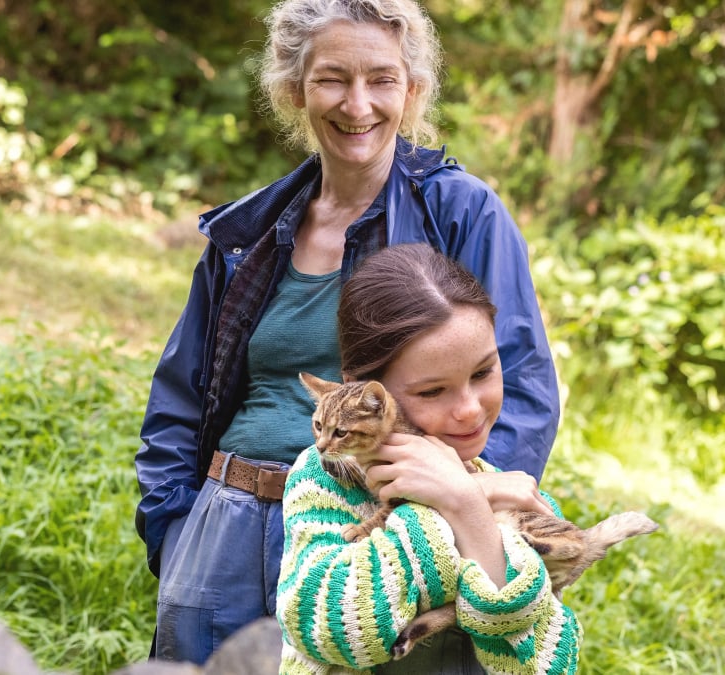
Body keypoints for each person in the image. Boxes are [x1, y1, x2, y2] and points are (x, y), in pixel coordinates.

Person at [134, 0, 559, 663]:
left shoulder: (461, 213)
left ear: (412, 89)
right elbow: (179, 398)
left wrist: (463, 517)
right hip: (225, 533)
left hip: (373, 536)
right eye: (333, 77)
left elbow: (519, 386)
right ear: (294, 87)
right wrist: (175, 530)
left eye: (382, 79)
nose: (358, 104)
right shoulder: (248, 233)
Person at [277, 243, 580, 674]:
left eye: (482, 372)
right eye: (431, 391)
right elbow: (331, 630)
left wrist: (466, 501)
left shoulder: (513, 494)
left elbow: (546, 665)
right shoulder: (325, 481)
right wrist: (456, 504)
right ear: (363, 393)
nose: (470, 409)